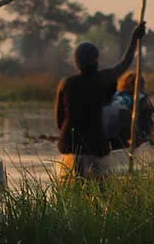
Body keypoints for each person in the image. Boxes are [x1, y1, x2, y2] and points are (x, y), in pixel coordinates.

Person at [55, 25, 142, 178]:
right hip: (95, 145)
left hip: (69, 143)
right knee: (97, 180)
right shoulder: (103, 79)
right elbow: (125, 63)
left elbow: (59, 121)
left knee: (78, 176)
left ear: (76, 62)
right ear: (96, 60)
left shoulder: (66, 83)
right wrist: (135, 39)